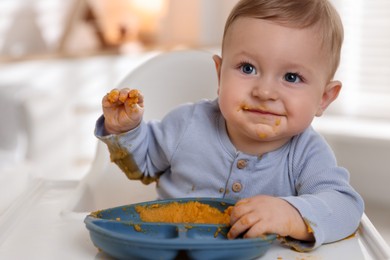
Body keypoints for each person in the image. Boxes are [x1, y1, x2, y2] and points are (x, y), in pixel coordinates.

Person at [95, 0, 364, 251]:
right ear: (220, 74)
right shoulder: (187, 124)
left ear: (324, 98)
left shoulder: (307, 154)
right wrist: (126, 130)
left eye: (291, 77)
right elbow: (142, 164)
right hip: (170, 250)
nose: (265, 92)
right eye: (248, 68)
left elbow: (346, 206)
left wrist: (292, 213)